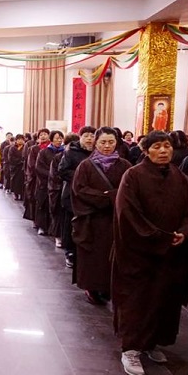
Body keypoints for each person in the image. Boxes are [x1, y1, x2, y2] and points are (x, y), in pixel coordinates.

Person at [112, 130, 188, 375]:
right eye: (157, 146)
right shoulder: (133, 176)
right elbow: (128, 213)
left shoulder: (181, 177)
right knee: (138, 301)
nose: (163, 151)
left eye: (167, 146)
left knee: (164, 299)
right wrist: (159, 237)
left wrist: (183, 232)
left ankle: (151, 343)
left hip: (171, 253)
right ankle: (131, 349)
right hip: (139, 253)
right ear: (146, 150)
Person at [71, 127, 131, 305]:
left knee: (111, 257)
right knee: (93, 257)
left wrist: (110, 196)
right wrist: (107, 197)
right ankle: (91, 288)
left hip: (115, 219)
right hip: (92, 219)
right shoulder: (85, 166)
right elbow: (80, 190)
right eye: (103, 142)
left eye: (111, 142)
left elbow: (130, 190)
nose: (107, 146)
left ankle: (107, 287)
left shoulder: (125, 166)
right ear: (96, 143)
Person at [58, 126, 96, 268]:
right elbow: (62, 171)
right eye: (86, 136)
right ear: (80, 138)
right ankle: (70, 252)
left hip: (91, 196)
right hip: (72, 196)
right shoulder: (71, 152)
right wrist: (82, 178)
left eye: (92, 136)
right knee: (72, 225)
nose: (89, 139)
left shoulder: (98, 153)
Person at [48, 133, 79, 248]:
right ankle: (58, 237)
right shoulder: (58, 157)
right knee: (58, 215)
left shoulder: (79, 157)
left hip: (72, 190)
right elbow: (54, 174)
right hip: (58, 189)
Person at [34, 130, 64, 238]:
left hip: (59, 184)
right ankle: (42, 226)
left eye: (61, 138)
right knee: (44, 205)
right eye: (56, 138)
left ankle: (54, 230)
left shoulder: (64, 153)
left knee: (56, 208)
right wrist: (51, 175)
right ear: (51, 139)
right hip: (45, 183)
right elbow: (39, 168)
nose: (59, 140)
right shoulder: (43, 152)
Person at [24, 128, 50, 227]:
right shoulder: (34, 149)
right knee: (36, 200)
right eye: (41, 135)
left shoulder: (51, 149)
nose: (43, 136)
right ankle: (36, 220)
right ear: (38, 137)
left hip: (49, 178)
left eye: (45, 134)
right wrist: (39, 173)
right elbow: (31, 164)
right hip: (36, 179)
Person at [8, 134, 25, 200]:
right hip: (15, 168)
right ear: (16, 140)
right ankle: (16, 194)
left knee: (22, 182)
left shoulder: (25, 147)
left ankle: (22, 195)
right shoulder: (12, 148)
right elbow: (10, 158)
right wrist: (19, 161)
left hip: (23, 168)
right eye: (19, 139)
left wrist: (23, 161)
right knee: (16, 182)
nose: (20, 141)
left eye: (22, 139)